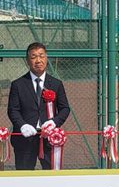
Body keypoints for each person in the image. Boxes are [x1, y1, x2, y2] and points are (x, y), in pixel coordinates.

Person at [7, 42, 72, 170]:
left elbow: (65, 108)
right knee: (24, 176)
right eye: (34, 57)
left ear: (46, 58)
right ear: (27, 60)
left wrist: (54, 122)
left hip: (50, 138)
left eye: (41, 56)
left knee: (51, 176)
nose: (38, 60)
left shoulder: (56, 84)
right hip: (25, 138)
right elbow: (13, 110)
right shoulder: (18, 84)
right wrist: (22, 125)